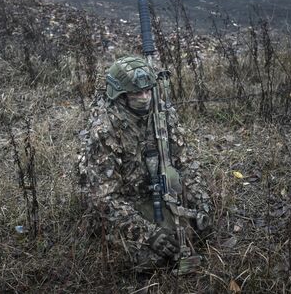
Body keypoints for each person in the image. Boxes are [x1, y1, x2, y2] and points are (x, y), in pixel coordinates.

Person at [78, 56, 211, 274]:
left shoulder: (162, 113)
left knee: (196, 229)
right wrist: (147, 233)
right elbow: (104, 199)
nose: (145, 97)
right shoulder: (104, 129)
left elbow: (185, 164)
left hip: (157, 190)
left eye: (148, 90)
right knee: (151, 259)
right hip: (123, 202)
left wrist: (201, 202)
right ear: (120, 95)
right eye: (136, 93)